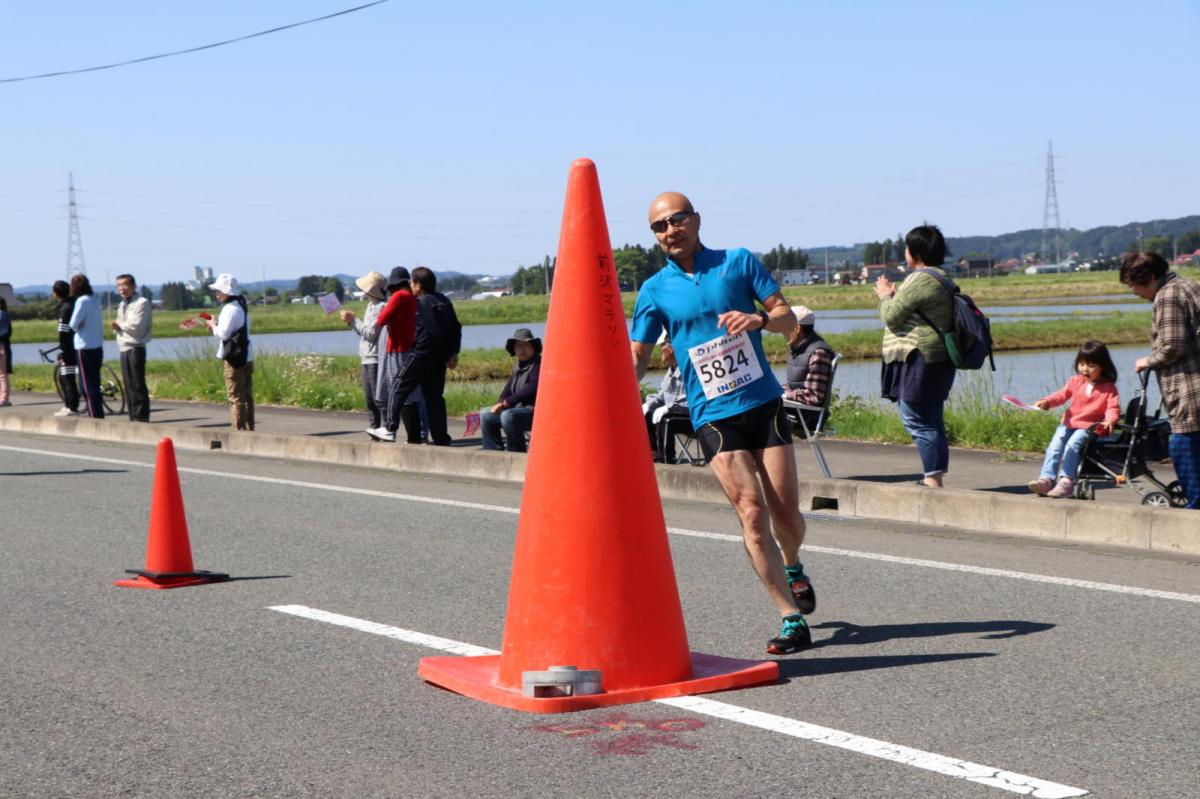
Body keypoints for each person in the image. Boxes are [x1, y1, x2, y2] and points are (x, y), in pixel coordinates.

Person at [630, 191, 813, 655]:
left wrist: (757, 319)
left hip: (762, 404)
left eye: (677, 220)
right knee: (752, 515)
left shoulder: (737, 262)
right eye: (659, 226)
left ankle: (792, 565)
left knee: (786, 516)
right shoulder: (653, 290)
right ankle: (791, 617)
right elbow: (637, 358)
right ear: (654, 236)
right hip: (711, 415)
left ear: (695, 220)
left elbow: (785, 317)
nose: (670, 230)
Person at [873, 225, 957, 488]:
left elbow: (891, 315)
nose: (905, 252)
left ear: (916, 251)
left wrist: (885, 296)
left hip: (919, 356)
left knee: (917, 418)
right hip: (934, 357)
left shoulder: (921, 279)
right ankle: (934, 476)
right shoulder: (940, 277)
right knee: (930, 418)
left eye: (907, 247)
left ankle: (932, 479)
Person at [1122, 251, 1200, 509]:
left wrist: (1147, 360)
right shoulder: (1187, 285)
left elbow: (1172, 346)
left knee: (1183, 445)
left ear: (1151, 277)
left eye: (1134, 285)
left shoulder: (1167, 296)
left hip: (1190, 386)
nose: (1134, 291)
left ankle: (1194, 509)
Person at [1028, 341, 1121, 498]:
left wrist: (1110, 420)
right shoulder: (1075, 381)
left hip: (1089, 426)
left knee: (1072, 445)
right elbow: (1061, 395)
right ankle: (1046, 479)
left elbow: (1113, 407)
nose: (1085, 369)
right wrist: (1047, 402)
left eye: (1091, 365)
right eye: (1082, 364)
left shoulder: (1108, 387)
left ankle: (1066, 481)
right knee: (1055, 445)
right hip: (1068, 423)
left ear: (1102, 366)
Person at [381, 266, 462, 446]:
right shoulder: (444, 301)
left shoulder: (421, 302)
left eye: (412, 282)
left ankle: (389, 427)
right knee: (434, 397)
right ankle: (441, 438)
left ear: (418, 284)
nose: (410, 285)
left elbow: (431, 331)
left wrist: (417, 347)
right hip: (440, 358)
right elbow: (456, 328)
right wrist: (452, 352)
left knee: (398, 387)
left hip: (422, 354)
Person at [368, 267, 423, 443]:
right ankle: (414, 436)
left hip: (397, 349)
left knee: (397, 391)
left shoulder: (398, 297)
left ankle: (392, 429)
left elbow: (381, 320)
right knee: (411, 395)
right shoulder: (414, 298)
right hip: (410, 349)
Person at [204, 273, 254, 431]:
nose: (216, 293)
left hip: (234, 358)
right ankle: (248, 428)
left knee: (235, 396)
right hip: (247, 355)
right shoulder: (240, 305)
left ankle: (238, 431)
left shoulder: (229, 309)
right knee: (246, 396)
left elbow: (223, 334)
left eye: (218, 290)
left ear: (227, 291)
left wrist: (213, 325)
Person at [340, 271, 387, 435]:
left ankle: (385, 428)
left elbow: (371, 334)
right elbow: (365, 331)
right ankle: (374, 428)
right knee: (369, 398)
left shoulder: (381, 307)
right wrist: (352, 322)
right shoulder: (371, 306)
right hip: (366, 357)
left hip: (375, 358)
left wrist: (354, 320)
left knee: (378, 397)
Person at [481, 328, 541, 452]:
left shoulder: (539, 365)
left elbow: (531, 388)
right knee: (486, 414)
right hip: (516, 409)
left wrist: (506, 403)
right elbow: (508, 388)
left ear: (533, 347)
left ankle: (516, 452)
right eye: (518, 346)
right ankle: (492, 453)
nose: (522, 349)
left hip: (532, 412)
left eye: (525, 345)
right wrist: (500, 402)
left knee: (508, 416)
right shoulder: (517, 366)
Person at [782, 304, 834, 434]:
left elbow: (814, 396)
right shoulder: (797, 349)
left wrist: (784, 394)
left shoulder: (818, 353)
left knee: (756, 416)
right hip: (796, 411)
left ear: (797, 328)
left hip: (807, 418)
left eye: (785, 327)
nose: (782, 332)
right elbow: (795, 386)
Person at [641, 333, 688, 463]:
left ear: (671, 349)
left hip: (689, 413)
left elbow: (689, 399)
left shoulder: (687, 369)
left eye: (662, 346)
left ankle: (666, 459)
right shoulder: (671, 369)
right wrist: (648, 404)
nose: (660, 349)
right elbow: (662, 394)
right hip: (676, 409)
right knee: (647, 413)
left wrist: (669, 407)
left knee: (666, 420)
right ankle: (653, 454)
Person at [111, 273, 152, 422]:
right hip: (124, 346)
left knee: (137, 383)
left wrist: (120, 325)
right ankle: (133, 415)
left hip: (136, 346)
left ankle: (141, 416)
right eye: (119, 286)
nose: (122, 288)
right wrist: (117, 326)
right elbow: (121, 324)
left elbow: (137, 326)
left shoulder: (142, 302)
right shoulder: (122, 304)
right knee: (128, 384)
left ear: (133, 286)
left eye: (125, 285)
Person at [68, 273, 105, 419]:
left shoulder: (81, 301)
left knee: (87, 386)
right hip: (97, 345)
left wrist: (80, 324)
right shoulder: (94, 299)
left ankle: (94, 417)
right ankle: (98, 413)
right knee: (95, 383)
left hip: (84, 347)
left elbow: (73, 324)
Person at [50, 281, 82, 416]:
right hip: (78, 344)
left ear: (56, 294)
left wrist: (62, 348)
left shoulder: (65, 308)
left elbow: (63, 331)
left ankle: (71, 406)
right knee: (70, 376)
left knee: (66, 377)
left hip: (69, 347)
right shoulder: (74, 303)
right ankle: (71, 405)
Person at [0, 298, 11, 407]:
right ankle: (3, 398)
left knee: (2, 375)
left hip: (1, 345)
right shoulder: (5, 314)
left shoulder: (1, 314)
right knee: (2, 375)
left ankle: (3, 398)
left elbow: (3, 332)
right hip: (3, 345)